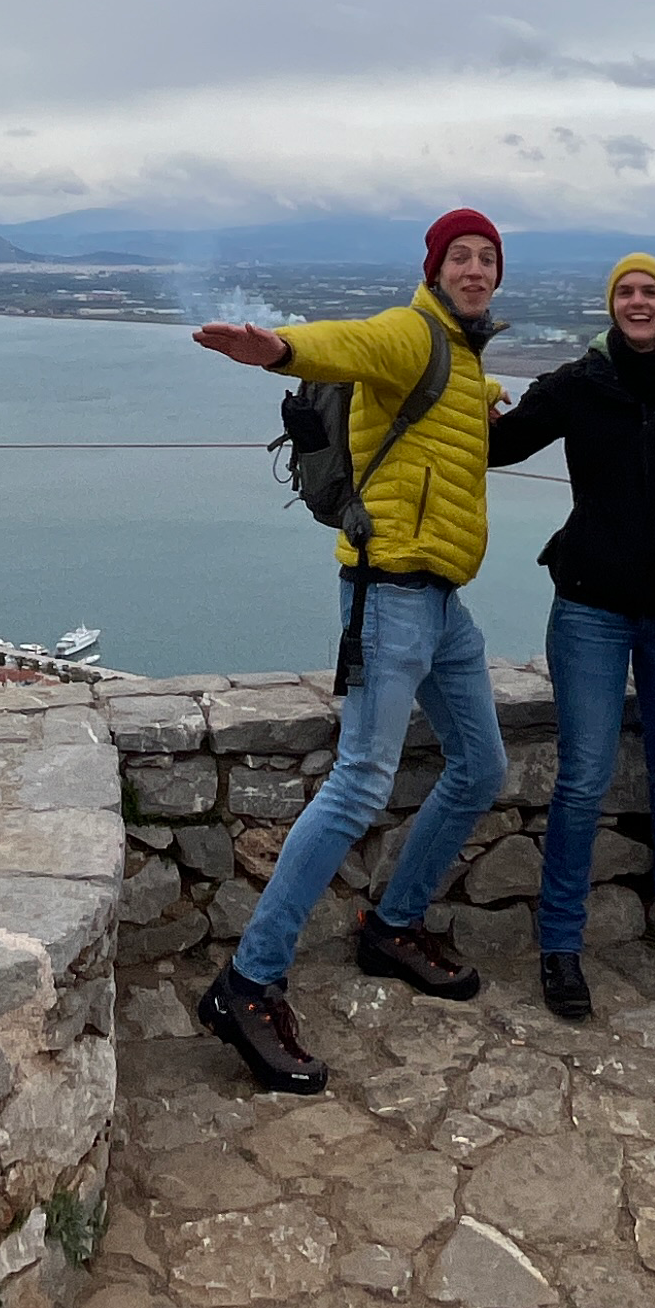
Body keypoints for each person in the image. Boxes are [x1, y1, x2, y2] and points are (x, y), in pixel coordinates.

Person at [185, 207, 514, 1093]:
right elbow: (351, 348)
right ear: (435, 269)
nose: (476, 270)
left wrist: (486, 398)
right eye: (461, 257)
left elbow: (443, 424)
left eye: (488, 259)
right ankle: (248, 984)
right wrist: (279, 350)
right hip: (391, 594)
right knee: (361, 780)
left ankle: (392, 923)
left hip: (443, 603)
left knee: (481, 767)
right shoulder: (412, 331)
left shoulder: (463, 354)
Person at [489, 251, 655, 1020]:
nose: (637, 302)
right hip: (591, 605)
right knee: (584, 776)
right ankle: (560, 944)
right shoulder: (576, 385)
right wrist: (464, 391)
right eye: (625, 292)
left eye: (649, 292)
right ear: (612, 305)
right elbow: (499, 447)